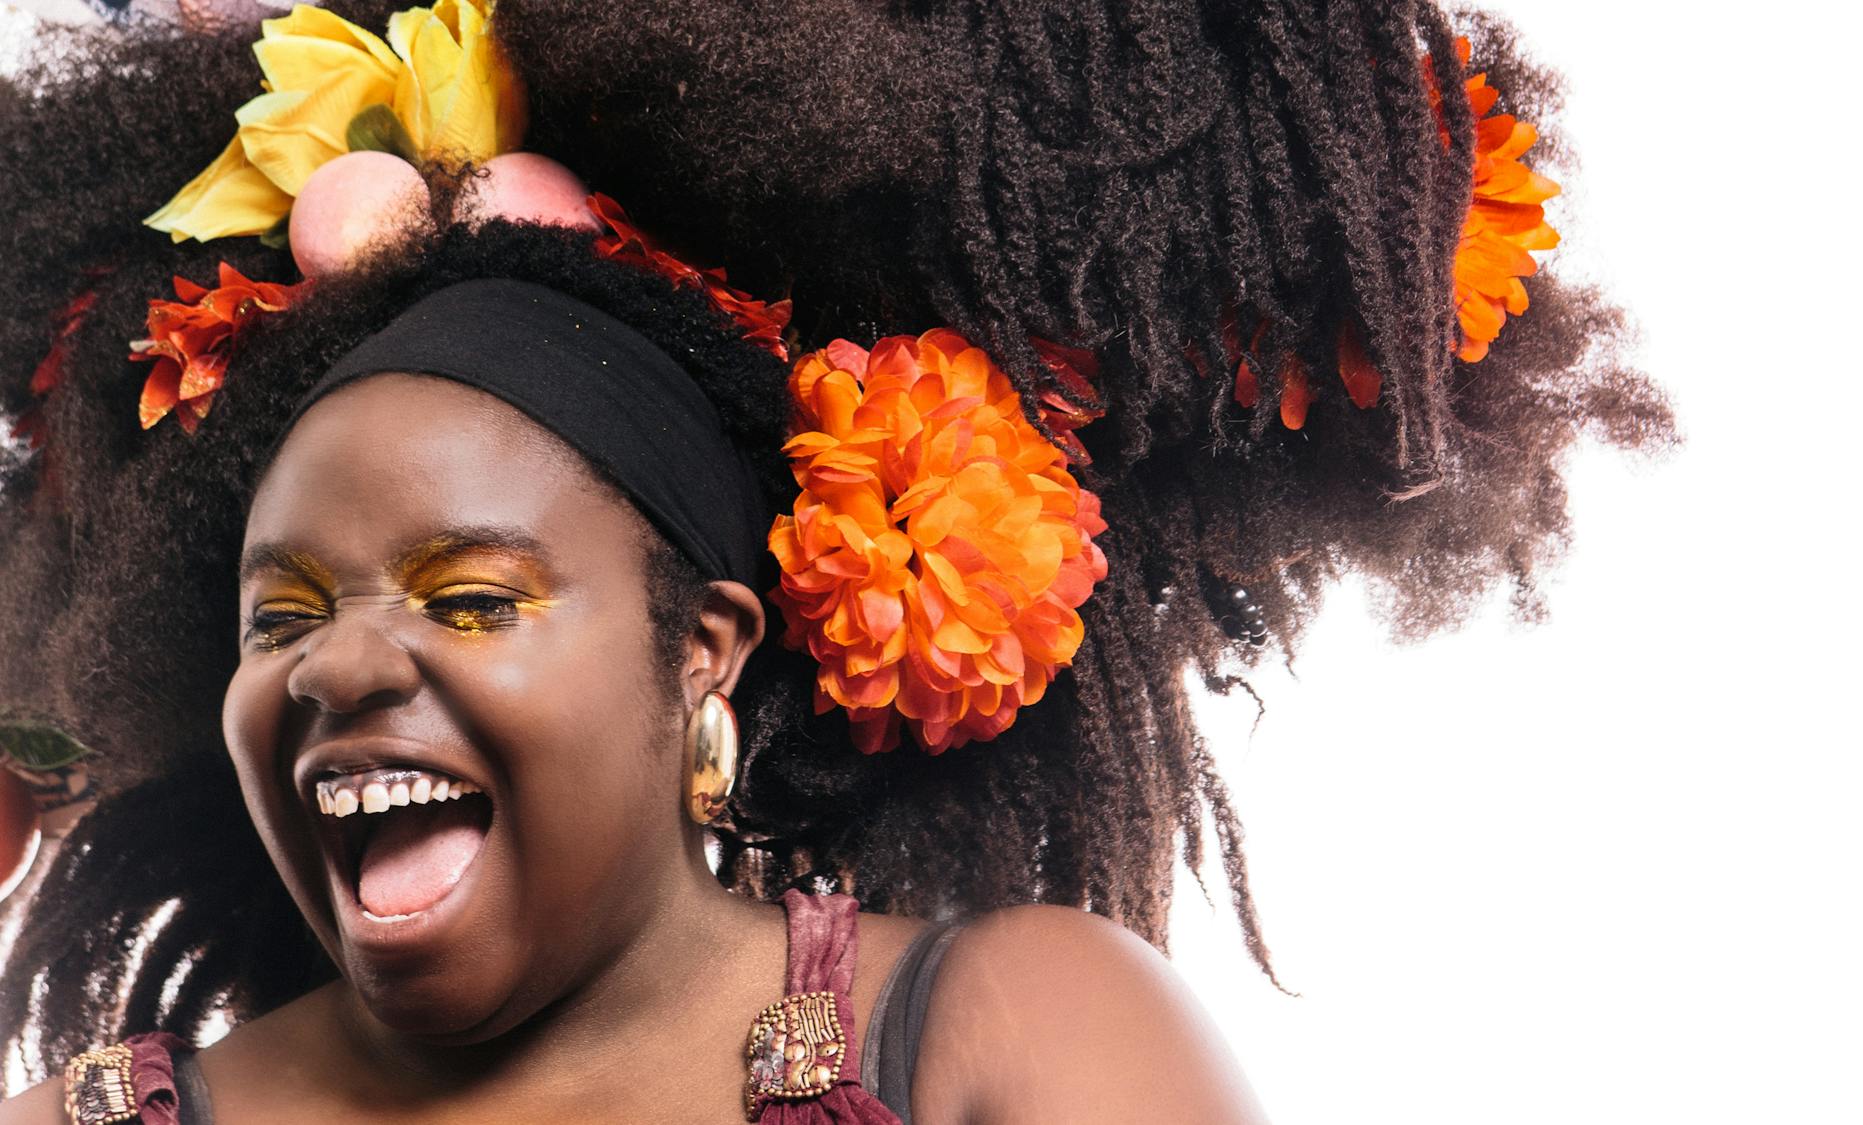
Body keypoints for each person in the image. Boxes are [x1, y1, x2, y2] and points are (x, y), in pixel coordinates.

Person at [0, 1, 1674, 1121]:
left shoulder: (997, 1036)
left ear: (703, 651)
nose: (339, 664)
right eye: (279, 612)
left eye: (471, 595)